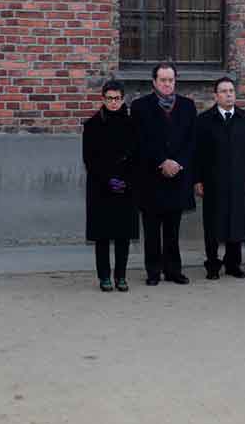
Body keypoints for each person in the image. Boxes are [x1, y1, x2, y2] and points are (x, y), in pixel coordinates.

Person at [131, 62, 197, 285]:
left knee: (173, 228)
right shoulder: (140, 107)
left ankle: (173, 270)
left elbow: (191, 141)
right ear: (154, 82)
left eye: (171, 80)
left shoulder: (188, 106)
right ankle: (153, 271)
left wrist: (178, 163)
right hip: (151, 176)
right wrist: (162, 161)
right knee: (151, 229)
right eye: (163, 80)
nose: (167, 84)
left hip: (177, 176)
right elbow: (140, 141)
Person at [195, 76, 245, 279]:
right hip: (213, 181)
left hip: (239, 180)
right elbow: (197, 153)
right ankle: (213, 265)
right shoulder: (204, 121)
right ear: (216, 95)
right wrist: (197, 180)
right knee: (213, 224)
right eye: (223, 91)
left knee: (236, 221)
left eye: (231, 90)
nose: (228, 94)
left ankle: (233, 264)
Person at [82, 80, 139, 292]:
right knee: (103, 236)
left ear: (123, 99)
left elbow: (137, 156)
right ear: (103, 99)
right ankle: (104, 277)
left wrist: (126, 180)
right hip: (101, 188)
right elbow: (89, 159)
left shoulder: (133, 124)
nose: (113, 103)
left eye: (117, 98)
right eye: (109, 99)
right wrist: (108, 180)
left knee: (123, 235)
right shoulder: (92, 125)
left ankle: (121, 276)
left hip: (126, 186)